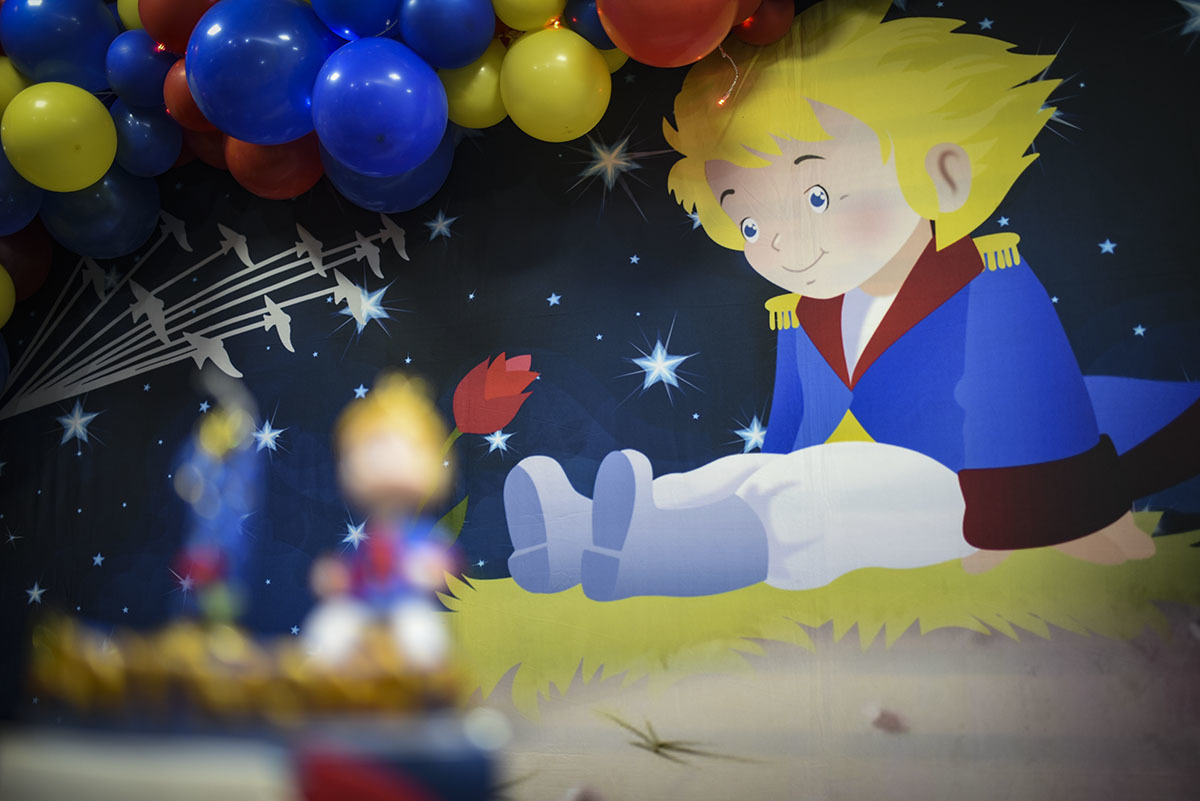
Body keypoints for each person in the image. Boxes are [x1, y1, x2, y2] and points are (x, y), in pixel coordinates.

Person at [504, 0, 1200, 601]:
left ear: (944, 174)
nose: (782, 243)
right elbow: (795, 429)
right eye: (750, 223)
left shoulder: (991, 279)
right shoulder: (808, 317)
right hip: (906, 475)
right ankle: (578, 530)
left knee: (830, 494)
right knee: (752, 472)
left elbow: (1032, 402)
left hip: (974, 484)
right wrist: (764, 469)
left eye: (817, 196)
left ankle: (647, 555)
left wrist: (1053, 516)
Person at [304, 373, 457, 666]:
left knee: (420, 629)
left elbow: (445, 564)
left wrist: (431, 569)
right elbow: (348, 565)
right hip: (361, 603)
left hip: (407, 602)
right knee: (331, 623)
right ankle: (320, 675)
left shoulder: (422, 531)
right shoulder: (362, 532)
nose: (386, 461)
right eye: (371, 449)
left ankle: (425, 680)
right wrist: (334, 576)